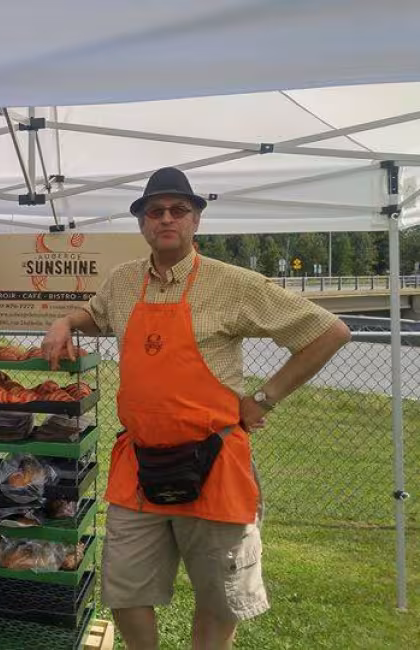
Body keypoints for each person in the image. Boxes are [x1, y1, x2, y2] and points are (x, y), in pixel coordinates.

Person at [41, 168, 350, 650]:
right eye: (154, 211)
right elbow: (96, 314)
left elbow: (329, 331)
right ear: (142, 223)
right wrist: (66, 319)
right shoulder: (123, 282)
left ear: (196, 221)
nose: (166, 218)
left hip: (215, 464)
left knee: (218, 598)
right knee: (124, 591)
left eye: (178, 210)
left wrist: (263, 399)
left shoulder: (234, 284)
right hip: (139, 466)